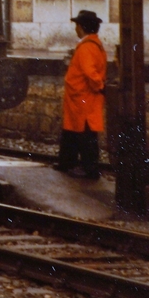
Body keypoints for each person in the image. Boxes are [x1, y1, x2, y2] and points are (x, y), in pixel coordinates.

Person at [54, 10, 106, 179]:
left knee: (84, 133)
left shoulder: (87, 48)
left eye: (77, 25)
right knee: (72, 131)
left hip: (82, 98)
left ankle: (88, 168)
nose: (75, 28)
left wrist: (99, 85)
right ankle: (67, 162)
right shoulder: (93, 45)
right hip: (80, 98)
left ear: (82, 27)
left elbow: (90, 72)